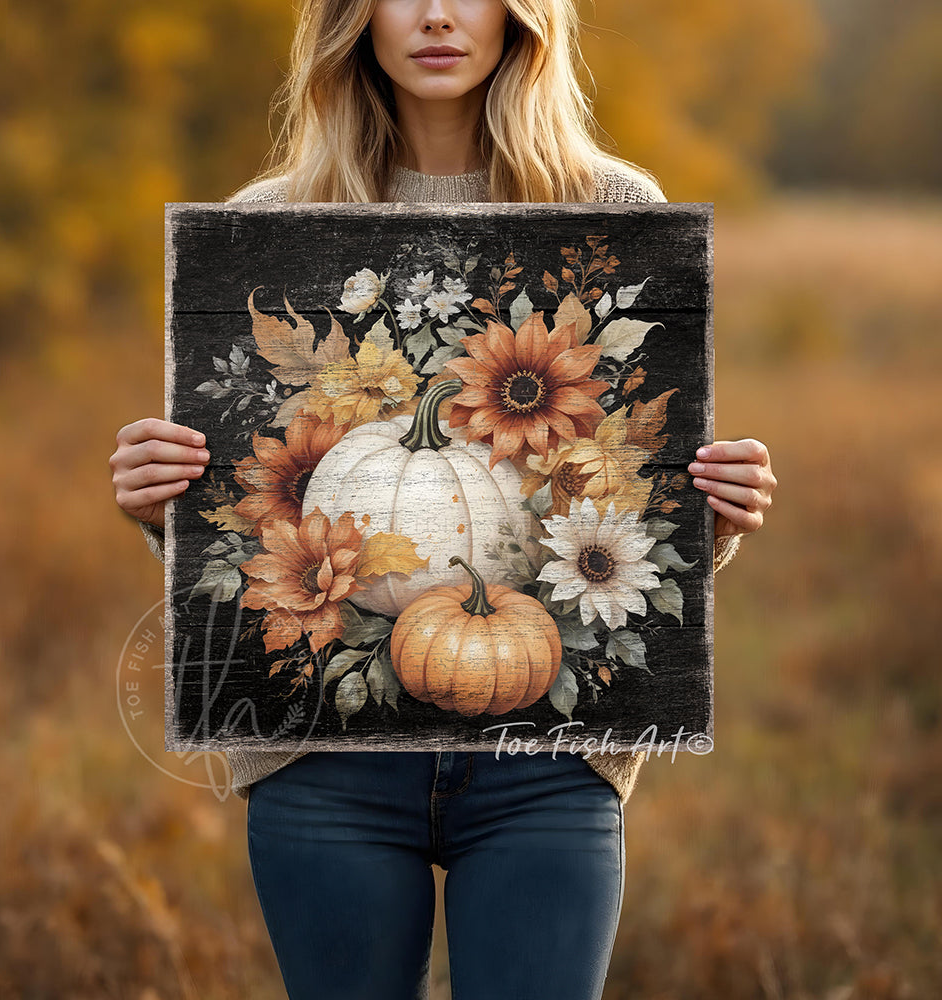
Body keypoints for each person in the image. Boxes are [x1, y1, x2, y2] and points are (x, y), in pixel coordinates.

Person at [109, 2, 777, 997]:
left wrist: (708, 515)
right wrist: (162, 509)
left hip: (544, 763)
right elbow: (251, 550)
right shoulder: (266, 229)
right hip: (320, 761)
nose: (433, 13)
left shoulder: (609, 207)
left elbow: (624, 500)